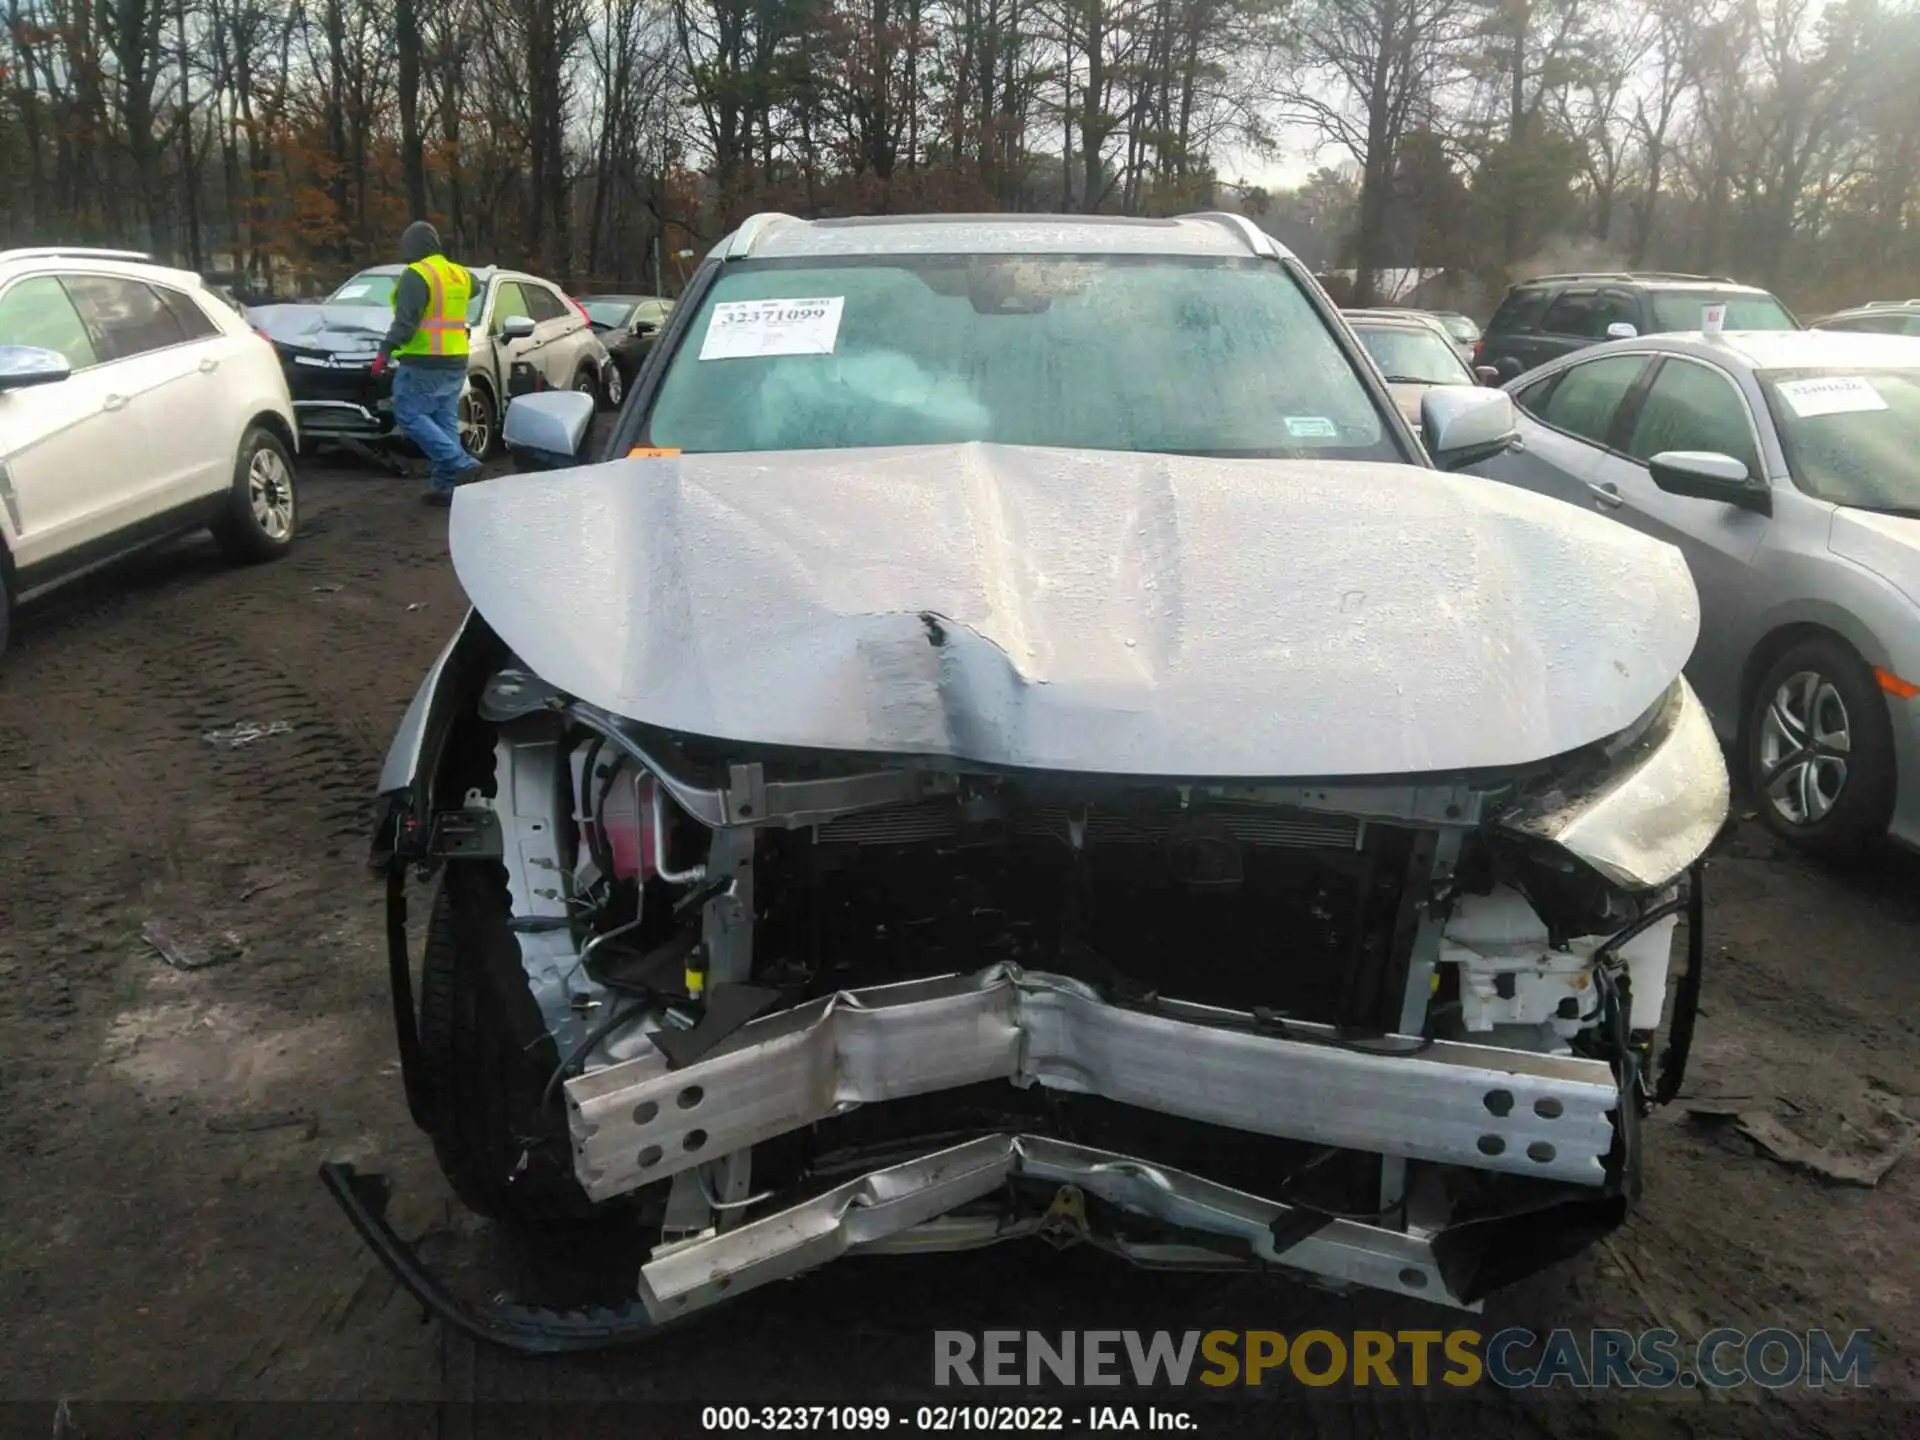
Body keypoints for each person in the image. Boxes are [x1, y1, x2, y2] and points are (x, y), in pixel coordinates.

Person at [374, 221, 482, 506]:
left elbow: (406, 323)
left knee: (407, 412)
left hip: (424, 359)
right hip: (456, 358)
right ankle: (446, 488)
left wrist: (385, 352)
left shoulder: (416, 274)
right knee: (443, 419)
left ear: (413, 246)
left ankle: (459, 462)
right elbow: (476, 285)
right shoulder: (458, 274)